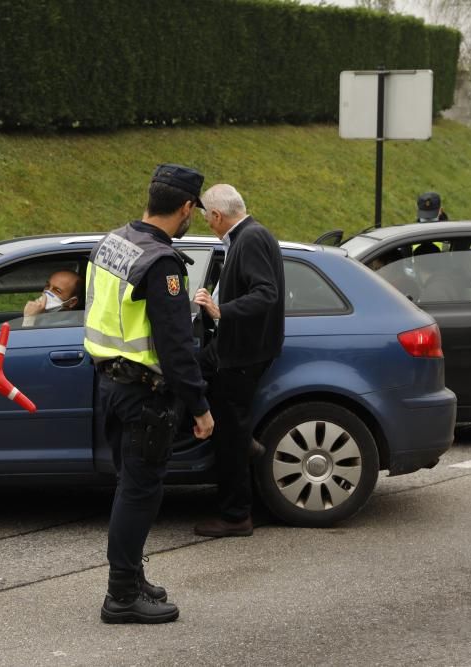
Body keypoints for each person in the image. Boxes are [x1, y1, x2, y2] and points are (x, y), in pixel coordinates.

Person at [84, 163, 215, 624]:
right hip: (144, 394)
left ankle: (132, 576)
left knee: (130, 487)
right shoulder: (161, 263)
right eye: (192, 211)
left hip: (112, 384)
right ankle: (121, 595)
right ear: (185, 207)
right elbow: (177, 347)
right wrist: (199, 406)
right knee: (139, 493)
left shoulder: (114, 242)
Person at [191, 184, 285, 538]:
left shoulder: (250, 239)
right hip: (235, 349)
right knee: (192, 372)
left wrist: (221, 309)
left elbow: (266, 293)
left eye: (206, 217)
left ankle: (235, 516)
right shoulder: (245, 238)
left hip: (244, 353)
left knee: (229, 433)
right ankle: (245, 442)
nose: (205, 223)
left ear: (216, 215)